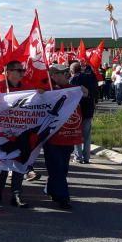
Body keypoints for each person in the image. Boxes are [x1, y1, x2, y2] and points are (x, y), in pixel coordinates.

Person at [0, 60, 40, 208]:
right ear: (8, 72)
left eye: (22, 70)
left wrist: (41, 94)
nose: (21, 73)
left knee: (20, 161)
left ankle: (16, 194)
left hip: (21, 132)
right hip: (2, 133)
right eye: (18, 70)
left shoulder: (28, 89)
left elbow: (39, 103)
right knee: (3, 163)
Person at [43, 64, 82, 210]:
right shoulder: (47, 90)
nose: (63, 75)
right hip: (52, 136)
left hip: (68, 135)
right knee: (56, 167)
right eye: (59, 73)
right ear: (52, 75)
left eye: (65, 72)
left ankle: (53, 190)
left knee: (63, 167)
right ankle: (64, 197)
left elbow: (85, 94)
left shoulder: (72, 88)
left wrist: (83, 91)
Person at [68, 61, 98, 164]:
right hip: (89, 109)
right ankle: (86, 157)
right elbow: (95, 92)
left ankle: (78, 157)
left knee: (77, 134)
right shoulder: (90, 78)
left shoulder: (72, 80)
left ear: (71, 71)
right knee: (87, 135)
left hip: (78, 111)